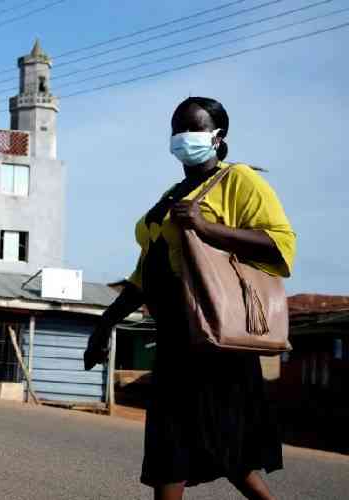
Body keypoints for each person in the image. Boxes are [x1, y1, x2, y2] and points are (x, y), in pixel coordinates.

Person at [85, 97, 296, 500]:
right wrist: (105, 322)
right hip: (175, 339)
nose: (183, 137)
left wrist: (205, 228)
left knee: (182, 451)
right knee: (216, 453)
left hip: (215, 342)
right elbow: (143, 273)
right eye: (177, 129)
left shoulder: (239, 181)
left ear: (218, 137)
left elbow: (281, 247)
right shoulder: (171, 194)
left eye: (193, 129)